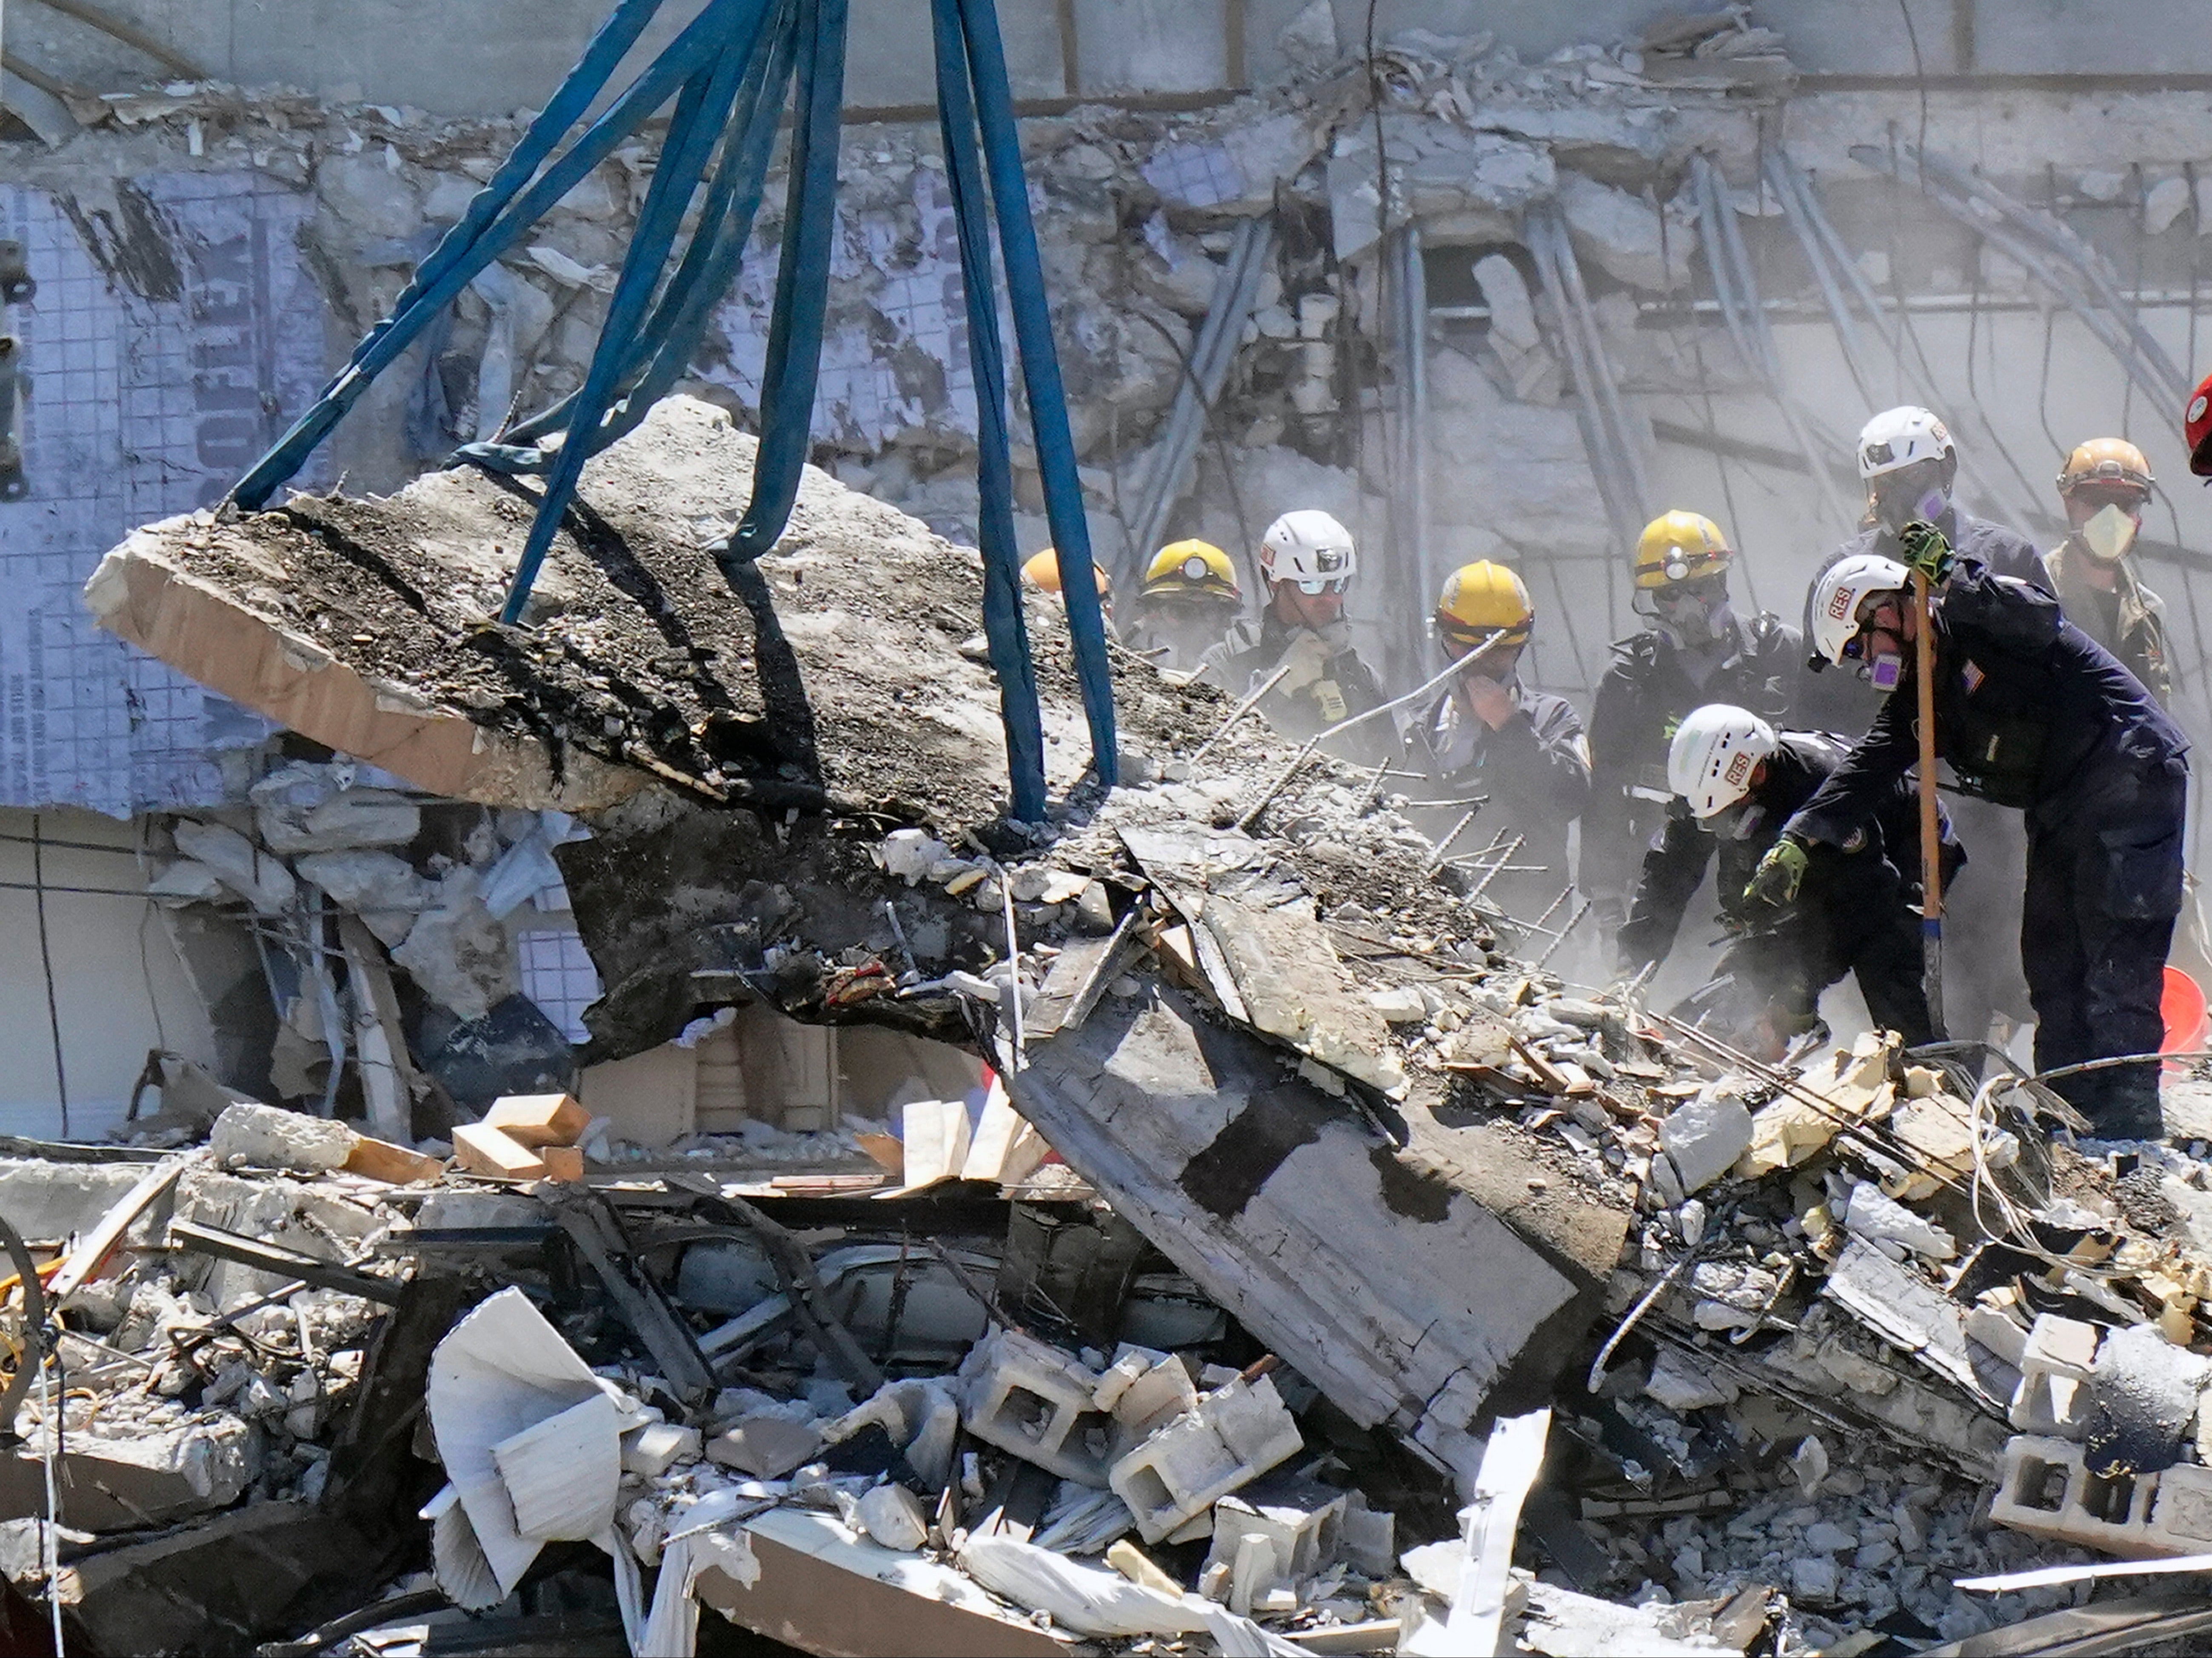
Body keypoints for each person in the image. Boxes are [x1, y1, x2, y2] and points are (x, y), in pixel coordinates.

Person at [1758, 528, 2189, 1138]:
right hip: (2060, 803)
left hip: (2129, 774)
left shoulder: (1977, 612)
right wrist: (1800, 837)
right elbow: (1866, 768)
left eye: (1860, 645)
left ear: (1886, 608)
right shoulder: (1923, 690)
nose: (1866, 664)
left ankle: (2129, 1118)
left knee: (2114, 948)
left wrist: (1954, 573)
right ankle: (2070, 1109)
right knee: (2050, 957)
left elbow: (2038, 618)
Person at [1803, 406, 2043, 1049]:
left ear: (1947, 470)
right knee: (1891, 950)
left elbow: (2039, 674)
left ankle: (1967, 1077)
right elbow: (1817, 703)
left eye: (1916, 478)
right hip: (1889, 801)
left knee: (1983, 958)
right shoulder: (1843, 576)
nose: (1903, 498)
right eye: (1887, 485)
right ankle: (1903, 1075)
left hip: (1986, 809)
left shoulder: (2005, 557)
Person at [1619, 705, 1948, 1056]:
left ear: (1757, 772)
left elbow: (1866, 900)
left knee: (1884, 965)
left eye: (1729, 812)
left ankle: (1928, 1066)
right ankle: (1736, 1052)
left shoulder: (1818, 786)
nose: (1720, 825)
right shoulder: (1709, 793)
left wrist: (1800, 991)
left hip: (1907, 846)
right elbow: (1667, 875)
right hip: (1820, 849)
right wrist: (1630, 973)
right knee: (1748, 962)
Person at [1584, 510, 1804, 938]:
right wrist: (1606, 895)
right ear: (1652, 600)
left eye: (1699, 589)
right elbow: (1604, 792)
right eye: (1670, 595)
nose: (1686, 608)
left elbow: (1824, 758)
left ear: (1722, 581)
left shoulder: (1778, 654)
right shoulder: (1629, 678)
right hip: (1665, 878)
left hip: (1768, 871)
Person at [1410, 560, 1592, 926]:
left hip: (1529, 924)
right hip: (1432, 924)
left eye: (1499, 651)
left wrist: (1508, 726)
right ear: (1445, 641)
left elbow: (1570, 799)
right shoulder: (1419, 729)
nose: (1484, 664)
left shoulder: (1551, 718)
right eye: (1468, 649)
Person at [1198, 510, 1385, 747]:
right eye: (1312, 585)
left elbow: (1393, 764)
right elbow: (1204, 747)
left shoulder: (1360, 677)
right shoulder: (1228, 661)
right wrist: (1277, 687)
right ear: (1276, 583)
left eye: (1338, 584)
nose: (1330, 598)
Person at [2044, 439, 2172, 704]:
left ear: (2138, 517)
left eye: (2126, 504)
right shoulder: (2039, 589)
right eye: (2097, 501)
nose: (2112, 517)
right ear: (2070, 505)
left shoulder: (2149, 612)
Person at [1124, 539, 1242, 674]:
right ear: (1153, 613)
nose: (1195, 623)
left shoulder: (1245, 670)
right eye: (1181, 612)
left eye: (1209, 612)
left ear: (1224, 618)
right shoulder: (1124, 667)